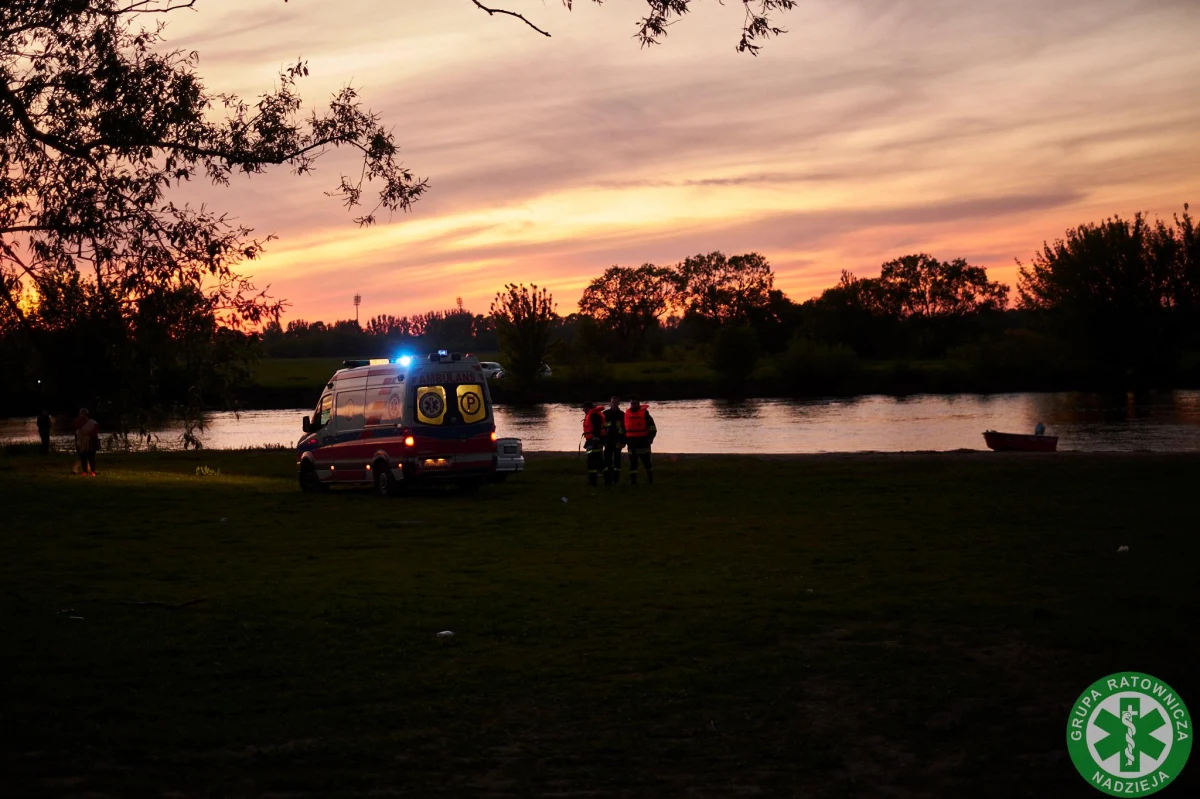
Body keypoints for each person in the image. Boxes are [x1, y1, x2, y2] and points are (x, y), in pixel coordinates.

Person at [624, 398, 657, 484]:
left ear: (638, 404)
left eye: (634, 404)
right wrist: (623, 439)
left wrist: (651, 438)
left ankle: (651, 480)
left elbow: (652, 428)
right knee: (633, 464)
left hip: (643, 442)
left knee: (647, 462)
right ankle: (633, 481)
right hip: (631, 443)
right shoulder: (627, 414)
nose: (633, 406)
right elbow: (624, 428)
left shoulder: (645, 414)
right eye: (632, 404)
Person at [581, 401, 606, 487]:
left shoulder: (593, 415)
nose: (583, 410)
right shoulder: (593, 414)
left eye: (583, 408)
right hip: (593, 440)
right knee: (598, 460)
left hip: (594, 441)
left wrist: (595, 439)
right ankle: (606, 479)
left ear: (587, 408)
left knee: (592, 461)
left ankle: (593, 481)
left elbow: (596, 428)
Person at [602, 395, 625, 485]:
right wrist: (603, 441)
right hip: (607, 441)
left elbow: (625, 429)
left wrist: (623, 441)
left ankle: (616, 478)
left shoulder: (622, 415)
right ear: (610, 403)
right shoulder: (605, 414)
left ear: (619, 403)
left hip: (618, 441)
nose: (614, 404)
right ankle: (608, 478)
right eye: (613, 402)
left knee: (617, 461)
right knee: (607, 460)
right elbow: (601, 428)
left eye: (616, 402)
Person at [72, 408, 100, 477]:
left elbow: (94, 432)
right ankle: (85, 471)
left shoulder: (92, 423)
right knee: (83, 457)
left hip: (90, 440)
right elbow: (75, 427)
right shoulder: (79, 421)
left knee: (90, 457)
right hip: (82, 441)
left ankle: (92, 471)